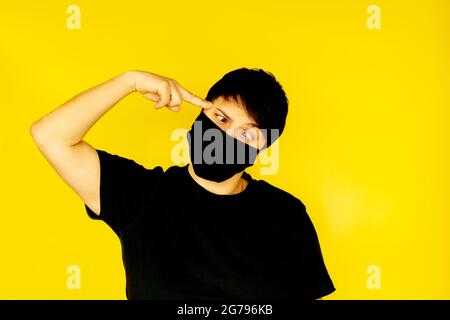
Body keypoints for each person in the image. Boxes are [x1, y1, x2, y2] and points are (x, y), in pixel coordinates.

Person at [30, 68, 335, 300]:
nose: (226, 137)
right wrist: (131, 80)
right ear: (201, 111)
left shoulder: (285, 215)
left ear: (262, 149)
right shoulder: (142, 195)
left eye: (247, 134)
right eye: (221, 118)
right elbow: (50, 135)